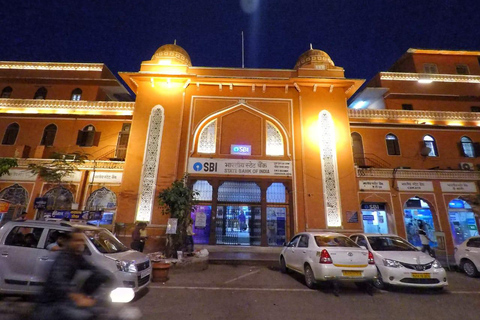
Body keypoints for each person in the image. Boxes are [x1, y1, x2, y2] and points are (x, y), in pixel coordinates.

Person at [34, 229, 109, 320]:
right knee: (82, 315)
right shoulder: (63, 258)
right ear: (69, 242)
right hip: (52, 303)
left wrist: (105, 275)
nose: (80, 243)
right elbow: (58, 282)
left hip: (64, 300)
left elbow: (92, 268)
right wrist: (77, 297)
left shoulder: (76, 256)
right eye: (76, 240)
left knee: (100, 311)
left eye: (82, 241)